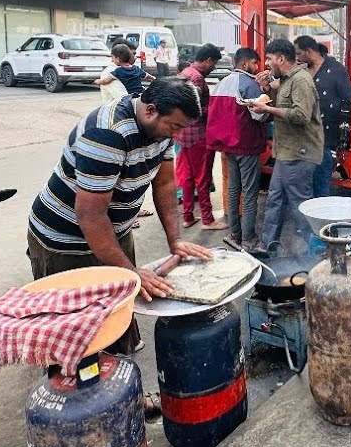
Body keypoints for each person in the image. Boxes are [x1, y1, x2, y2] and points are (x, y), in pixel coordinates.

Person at [27, 77, 215, 355]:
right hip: (66, 239)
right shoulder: (107, 134)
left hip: (113, 231)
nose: (177, 136)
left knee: (119, 312)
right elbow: (90, 216)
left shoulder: (160, 131)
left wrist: (174, 240)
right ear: (150, 110)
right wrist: (130, 271)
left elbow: (164, 184)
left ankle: (125, 385)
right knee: (79, 336)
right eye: (175, 127)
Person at [251, 38, 323, 254]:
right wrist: (266, 88)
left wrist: (267, 110)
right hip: (286, 152)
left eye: (270, 59)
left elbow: (301, 116)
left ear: (281, 58)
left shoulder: (301, 80)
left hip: (300, 153)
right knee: (274, 199)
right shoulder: (285, 79)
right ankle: (267, 245)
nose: (267, 64)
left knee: (300, 205)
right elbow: (282, 102)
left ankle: (315, 252)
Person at [294, 35, 351, 197]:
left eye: (298, 53)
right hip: (304, 135)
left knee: (321, 182)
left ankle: (322, 218)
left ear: (309, 52)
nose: (296, 58)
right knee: (304, 183)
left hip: (325, 136)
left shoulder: (335, 69)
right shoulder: (303, 69)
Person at [206, 47, 269, 245]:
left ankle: (235, 233)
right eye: (254, 63)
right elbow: (259, 114)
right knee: (250, 193)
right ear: (244, 64)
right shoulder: (249, 84)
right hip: (247, 145)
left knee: (234, 189)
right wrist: (269, 103)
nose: (257, 67)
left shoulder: (222, 82)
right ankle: (249, 238)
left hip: (228, 146)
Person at [176, 44, 227, 231]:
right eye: (214, 64)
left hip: (183, 135)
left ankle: (188, 216)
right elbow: (194, 109)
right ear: (208, 61)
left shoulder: (185, 73)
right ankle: (207, 219)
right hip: (198, 136)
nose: (214, 67)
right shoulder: (197, 78)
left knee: (188, 178)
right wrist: (214, 109)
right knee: (203, 178)